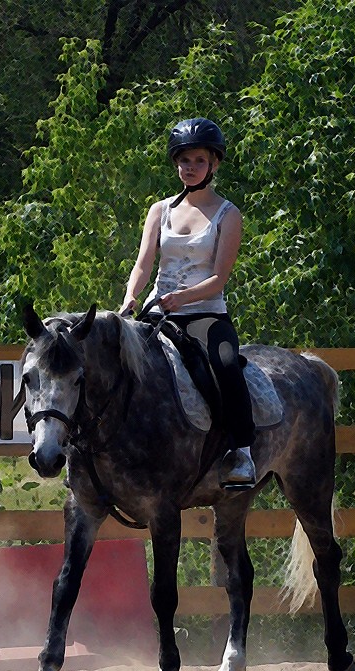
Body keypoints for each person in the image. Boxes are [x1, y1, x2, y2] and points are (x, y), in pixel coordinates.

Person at [119, 117, 256, 489]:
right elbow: (144, 261)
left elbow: (219, 278)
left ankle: (241, 451)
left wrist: (183, 298)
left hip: (205, 313)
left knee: (226, 363)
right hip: (156, 310)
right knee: (110, 360)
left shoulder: (228, 214)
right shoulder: (159, 210)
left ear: (214, 163)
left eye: (197, 161)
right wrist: (131, 297)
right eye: (184, 161)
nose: (189, 168)